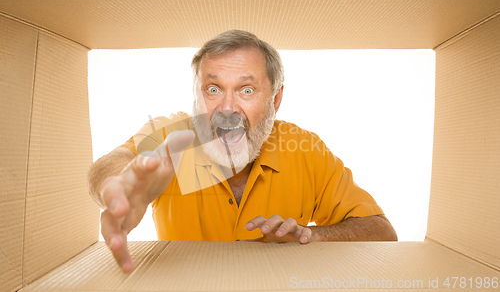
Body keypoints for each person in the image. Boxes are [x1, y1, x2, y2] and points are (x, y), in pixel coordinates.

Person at [87, 30, 398, 273]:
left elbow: (381, 231)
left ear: (275, 100)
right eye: (213, 89)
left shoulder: (305, 149)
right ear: (197, 96)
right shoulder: (173, 137)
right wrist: (120, 187)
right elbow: (114, 163)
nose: (227, 108)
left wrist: (311, 237)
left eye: (246, 90)